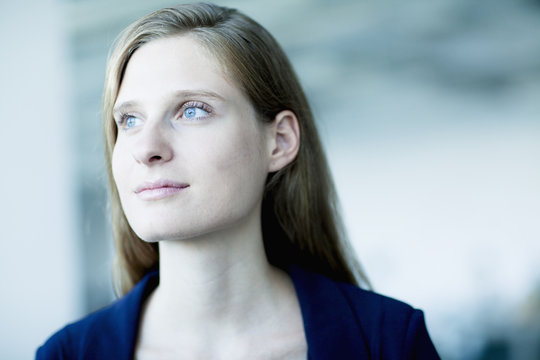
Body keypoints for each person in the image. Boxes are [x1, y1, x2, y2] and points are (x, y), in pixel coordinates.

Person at [37, 3, 440, 359]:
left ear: (279, 141)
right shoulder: (66, 354)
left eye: (192, 110)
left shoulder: (388, 341)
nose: (147, 148)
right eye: (130, 120)